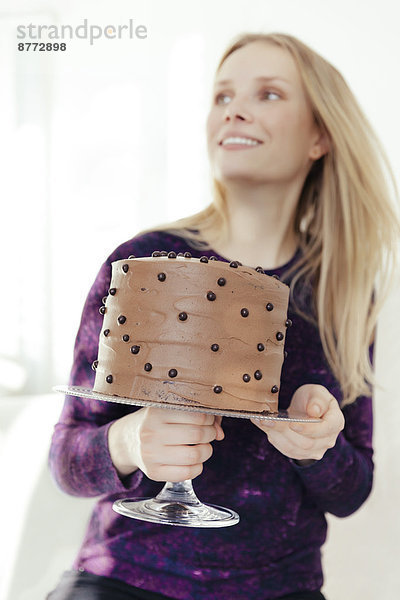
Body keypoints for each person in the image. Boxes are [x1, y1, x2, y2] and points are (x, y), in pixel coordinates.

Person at [48, 32, 399, 600]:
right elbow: (66, 460)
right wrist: (130, 441)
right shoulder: (143, 263)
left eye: (269, 94)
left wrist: (320, 447)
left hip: (282, 588)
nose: (234, 108)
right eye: (222, 95)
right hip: (127, 580)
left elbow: (352, 493)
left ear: (319, 135)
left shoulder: (341, 291)